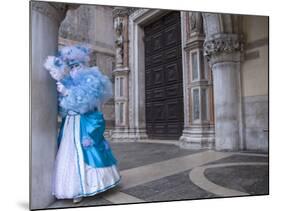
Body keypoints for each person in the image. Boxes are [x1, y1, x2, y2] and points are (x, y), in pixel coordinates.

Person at [44, 44, 121, 203]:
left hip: (83, 124)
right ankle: (71, 188)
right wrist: (62, 94)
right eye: (70, 66)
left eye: (76, 65)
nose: (74, 70)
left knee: (86, 151)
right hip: (70, 124)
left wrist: (67, 93)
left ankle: (88, 187)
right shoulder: (67, 81)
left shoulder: (91, 79)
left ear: (83, 64)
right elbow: (62, 106)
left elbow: (87, 103)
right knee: (68, 154)